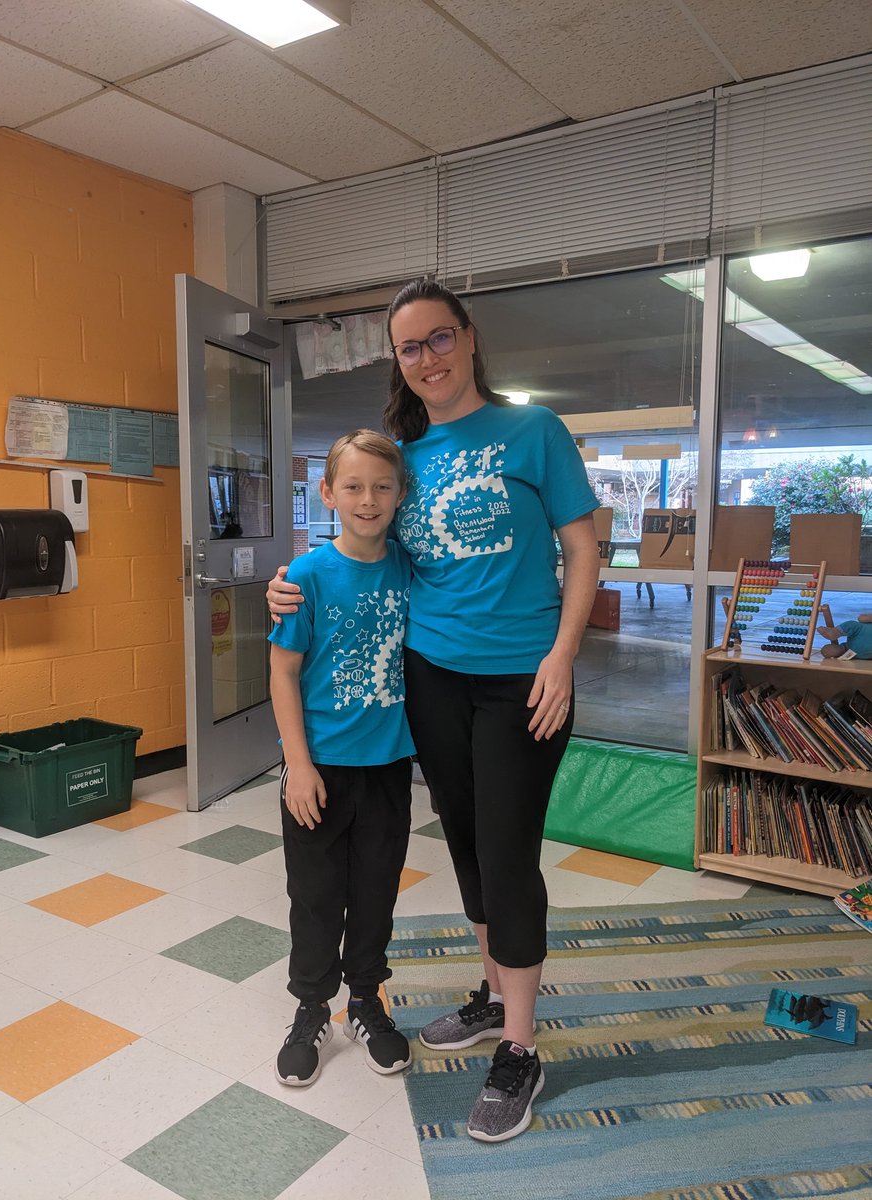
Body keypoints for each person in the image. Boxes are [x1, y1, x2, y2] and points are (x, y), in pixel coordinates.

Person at [269, 279, 599, 1140]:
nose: (427, 358)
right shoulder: (408, 451)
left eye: (438, 338)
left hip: (522, 680)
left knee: (508, 851)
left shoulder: (533, 430)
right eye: (409, 348)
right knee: (465, 847)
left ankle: (520, 1049)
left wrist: (562, 657)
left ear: (469, 337)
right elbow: (366, 537)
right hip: (431, 676)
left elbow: (582, 547)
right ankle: (495, 997)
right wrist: (289, 581)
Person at [269, 429, 415, 1088]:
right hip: (318, 769)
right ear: (327, 493)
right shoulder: (305, 576)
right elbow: (282, 672)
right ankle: (311, 1008)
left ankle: (365, 999)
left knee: (376, 891)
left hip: (387, 767)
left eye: (382, 486)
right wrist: (297, 766)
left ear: (400, 494)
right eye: (353, 486)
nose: (368, 499)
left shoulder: (413, 569)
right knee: (316, 895)